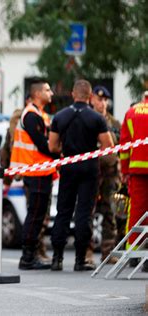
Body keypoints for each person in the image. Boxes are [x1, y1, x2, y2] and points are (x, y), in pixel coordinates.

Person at [48, 80, 113, 271]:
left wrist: (65, 150)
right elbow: (108, 145)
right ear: (90, 96)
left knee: (63, 211)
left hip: (68, 165)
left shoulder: (60, 116)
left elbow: (52, 146)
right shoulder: (96, 118)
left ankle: (57, 258)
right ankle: (80, 259)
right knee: (84, 213)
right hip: (89, 168)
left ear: (72, 94)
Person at [9, 79, 59, 270]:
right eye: (47, 90)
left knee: (38, 215)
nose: (51, 93)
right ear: (37, 94)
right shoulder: (31, 115)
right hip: (35, 171)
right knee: (35, 215)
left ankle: (31, 255)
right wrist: (60, 154)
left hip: (41, 171)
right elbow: (43, 144)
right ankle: (28, 257)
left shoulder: (40, 115)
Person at [89, 85, 121, 264]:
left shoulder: (114, 124)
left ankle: (108, 253)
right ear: (92, 99)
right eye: (99, 99)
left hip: (110, 176)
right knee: (88, 214)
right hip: (92, 174)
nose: (102, 103)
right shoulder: (87, 119)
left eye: (105, 100)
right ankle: (87, 252)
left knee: (111, 214)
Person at [120, 91, 148, 271]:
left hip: (137, 170)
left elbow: (124, 144)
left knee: (136, 210)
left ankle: (133, 253)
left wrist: (124, 170)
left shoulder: (132, 112)